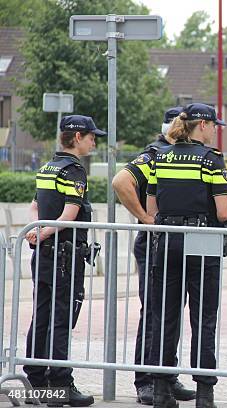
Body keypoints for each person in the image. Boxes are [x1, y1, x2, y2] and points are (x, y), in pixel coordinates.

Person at [146, 103, 227, 408]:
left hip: (167, 240)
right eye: (214, 126)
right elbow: (223, 211)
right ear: (204, 125)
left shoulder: (162, 157)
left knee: (165, 316)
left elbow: (152, 209)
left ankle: (160, 391)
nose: (215, 131)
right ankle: (204, 394)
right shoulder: (211, 161)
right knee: (204, 318)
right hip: (202, 240)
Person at [112, 107, 195, 405]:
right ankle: (146, 381)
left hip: (174, 245)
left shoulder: (184, 156)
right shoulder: (157, 154)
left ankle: (166, 376)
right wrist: (147, 219)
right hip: (156, 244)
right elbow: (121, 182)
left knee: (170, 313)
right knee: (155, 312)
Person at [24, 115, 106, 407]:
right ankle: (60, 384)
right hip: (64, 256)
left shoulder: (48, 167)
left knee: (42, 314)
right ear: (76, 137)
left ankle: (35, 379)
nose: (94, 141)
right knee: (61, 318)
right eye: (91, 136)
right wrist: (45, 231)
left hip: (44, 255)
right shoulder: (74, 170)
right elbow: (69, 215)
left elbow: (35, 205)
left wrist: (36, 231)